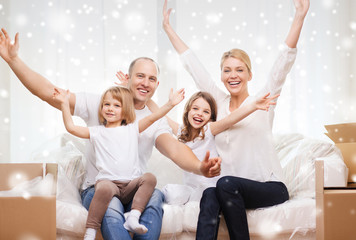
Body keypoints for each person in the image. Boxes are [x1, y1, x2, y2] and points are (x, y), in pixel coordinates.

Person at [0, 28, 221, 240]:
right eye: (140, 76)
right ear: (128, 77)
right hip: (100, 187)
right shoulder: (103, 104)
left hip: (133, 188)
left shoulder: (153, 122)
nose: (145, 83)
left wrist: (201, 167)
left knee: (155, 198)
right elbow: (49, 92)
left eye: (151, 79)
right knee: (111, 209)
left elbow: (175, 150)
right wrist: (13, 60)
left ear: (157, 84)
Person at [162, 0, 310, 239]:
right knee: (211, 193)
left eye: (239, 70)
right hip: (229, 189)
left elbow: (283, 63)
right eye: (227, 70)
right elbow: (193, 65)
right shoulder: (217, 105)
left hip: (268, 187)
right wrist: (168, 29)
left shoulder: (263, 100)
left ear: (249, 74)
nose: (233, 75)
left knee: (224, 184)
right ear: (221, 76)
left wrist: (299, 18)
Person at [53, 85, 184, 239]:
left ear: (126, 110)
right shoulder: (96, 131)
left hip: (130, 186)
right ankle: (90, 230)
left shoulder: (132, 128)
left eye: (116, 106)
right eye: (106, 104)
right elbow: (71, 128)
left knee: (150, 178)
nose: (110, 109)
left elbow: (154, 117)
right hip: (109, 184)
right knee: (103, 187)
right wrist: (64, 103)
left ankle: (133, 216)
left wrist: (171, 104)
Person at [143, 90, 278, 202]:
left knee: (202, 196)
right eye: (195, 108)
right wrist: (144, 96)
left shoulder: (208, 130)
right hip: (191, 189)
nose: (199, 114)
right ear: (188, 111)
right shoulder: (181, 131)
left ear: (210, 117)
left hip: (210, 188)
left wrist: (253, 106)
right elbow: (160, 115)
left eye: (206, 112)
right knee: (169, 192)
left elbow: (231, 119)